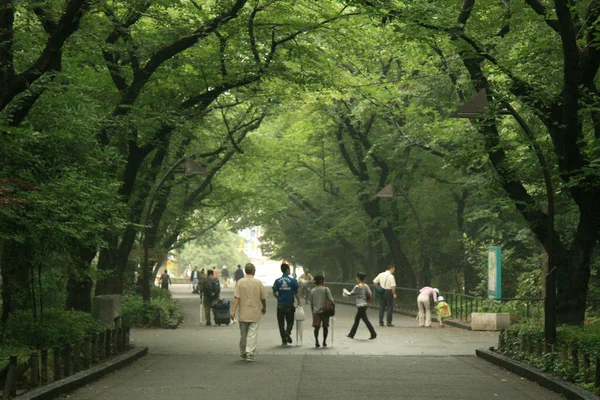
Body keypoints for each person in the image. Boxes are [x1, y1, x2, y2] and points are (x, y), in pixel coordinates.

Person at [231, 263, 268, 362]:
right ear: (253, 271)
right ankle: (250, 353)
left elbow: (237, 297)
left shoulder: (240, 282)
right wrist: (264, 307)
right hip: (255, 312)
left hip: (243, 312)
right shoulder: (258, 282)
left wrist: (233, 310)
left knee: (243, 334)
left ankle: (243, 352)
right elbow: (263, 297)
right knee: (252, 333)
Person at [272, 263, 301, 346]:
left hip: (280, 305)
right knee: (290, 321)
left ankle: (284, 340)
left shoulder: (277, 281)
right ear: (287, 270)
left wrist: (279, 297)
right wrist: (299, 302)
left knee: (281, 322)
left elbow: (274, 292)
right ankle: (287, 332)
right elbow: (296, 293)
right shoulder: (293, 281)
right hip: (289, 304)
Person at [343, 272, 377, 340]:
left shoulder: (357, 287)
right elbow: (370, 293)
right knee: (361, 320)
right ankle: (352, 334)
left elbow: (351, 294)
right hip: (364, 305)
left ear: (358, 278)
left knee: (361, 320)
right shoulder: (366, 286)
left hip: (360, 305)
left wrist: (345, 291)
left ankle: (372, 333)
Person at [310, 274, 334, 348]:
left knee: (316, 327)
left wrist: (313, 311)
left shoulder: (312, 291)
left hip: (316, 311)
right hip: (325, 311)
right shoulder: (326, 289)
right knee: (325, 327)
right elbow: (331, 300)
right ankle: (324, 342)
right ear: (321, 281)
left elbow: (311, 302)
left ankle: (316, 341)